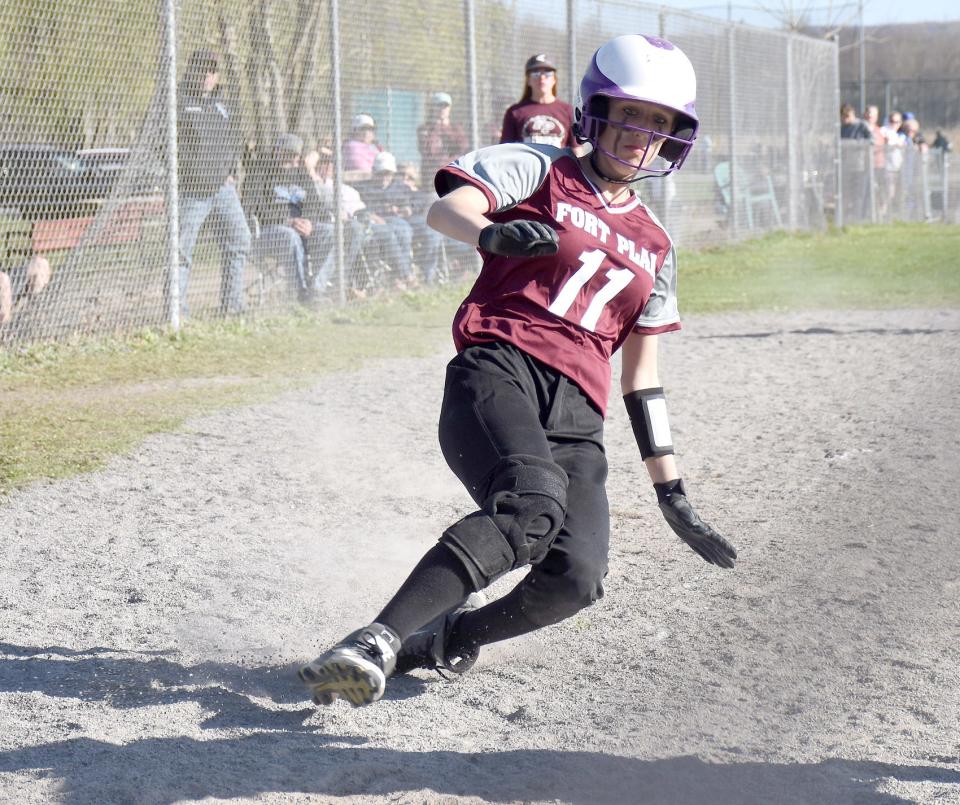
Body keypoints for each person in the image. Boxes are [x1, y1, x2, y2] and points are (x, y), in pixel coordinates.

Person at [299, 34, 737, 708]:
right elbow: (448, 206)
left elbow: (642, 376)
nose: (640, 135)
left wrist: (671, 490)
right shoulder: (541, 166)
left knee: (577, 574)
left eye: (658, 123)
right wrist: (490, 233)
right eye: (629, 113)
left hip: (578, 417)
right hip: (501, 367)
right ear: (596, 111)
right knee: (531, 505)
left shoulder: (657, 243)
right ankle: (375, 638)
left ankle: (439, 641)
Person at [176, 48, 251, 317]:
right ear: (191, 69)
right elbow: (163, 144)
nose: (206, 76)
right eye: (201, 69)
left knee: (240, 239)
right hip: (191, 191)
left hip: (223, 188)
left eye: (212, 71)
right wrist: (184, 171)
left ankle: (232, 305)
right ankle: (177, 313)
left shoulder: (222, 105)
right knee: (181, 251)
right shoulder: (178, 101)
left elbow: (234, 140)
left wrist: (229, 170)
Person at [247, 133, 324, 300]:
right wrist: (286, 221)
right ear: (278, 152)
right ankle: (301, 293)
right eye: (289, 155)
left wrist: (309, 221)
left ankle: (318, 288)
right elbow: (253, 207)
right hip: (269, 232)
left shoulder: (301, 173)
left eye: (296, 156)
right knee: (290, 235)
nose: (294, 160)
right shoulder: (259, 172)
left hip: (304, 228)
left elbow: (315, 203)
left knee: (332, 232)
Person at [357, 151, 417, 288]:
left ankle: (398, 277)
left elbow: (415, 199)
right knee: (389, 233)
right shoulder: (363, 188)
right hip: (375, 222)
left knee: (405, 230)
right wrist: (372, 214)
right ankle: (405, 275)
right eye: (381, 173)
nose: (385, 177)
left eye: (388, 174)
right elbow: (357, 208)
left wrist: (408, 208)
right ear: (374, 172)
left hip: (396, 220)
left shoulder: (400, 187)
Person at [500, 53, 575, 148]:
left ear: (554, 80)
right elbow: (505, 150)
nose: (542, 78)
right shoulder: (515, 112)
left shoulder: (568, 111)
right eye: (535, 73)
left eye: (547, 73)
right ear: (528, 80)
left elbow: (577, 150)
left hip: (557, 163)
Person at [417, 92, 469, 185]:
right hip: (431, 178)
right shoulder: (424, 129)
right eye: (439, 105)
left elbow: (462, 147)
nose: (442, 109)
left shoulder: (456, 128)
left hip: (453, 174)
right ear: (433, 108)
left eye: (445, 106)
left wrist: (445, 128)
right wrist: (436, 127)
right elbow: (427, 150)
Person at [0, 254, 50, 326]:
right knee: (3, 280)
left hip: (9, 273)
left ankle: (34, 315)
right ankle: (5, 329)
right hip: (4, 280)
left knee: (40, 264)